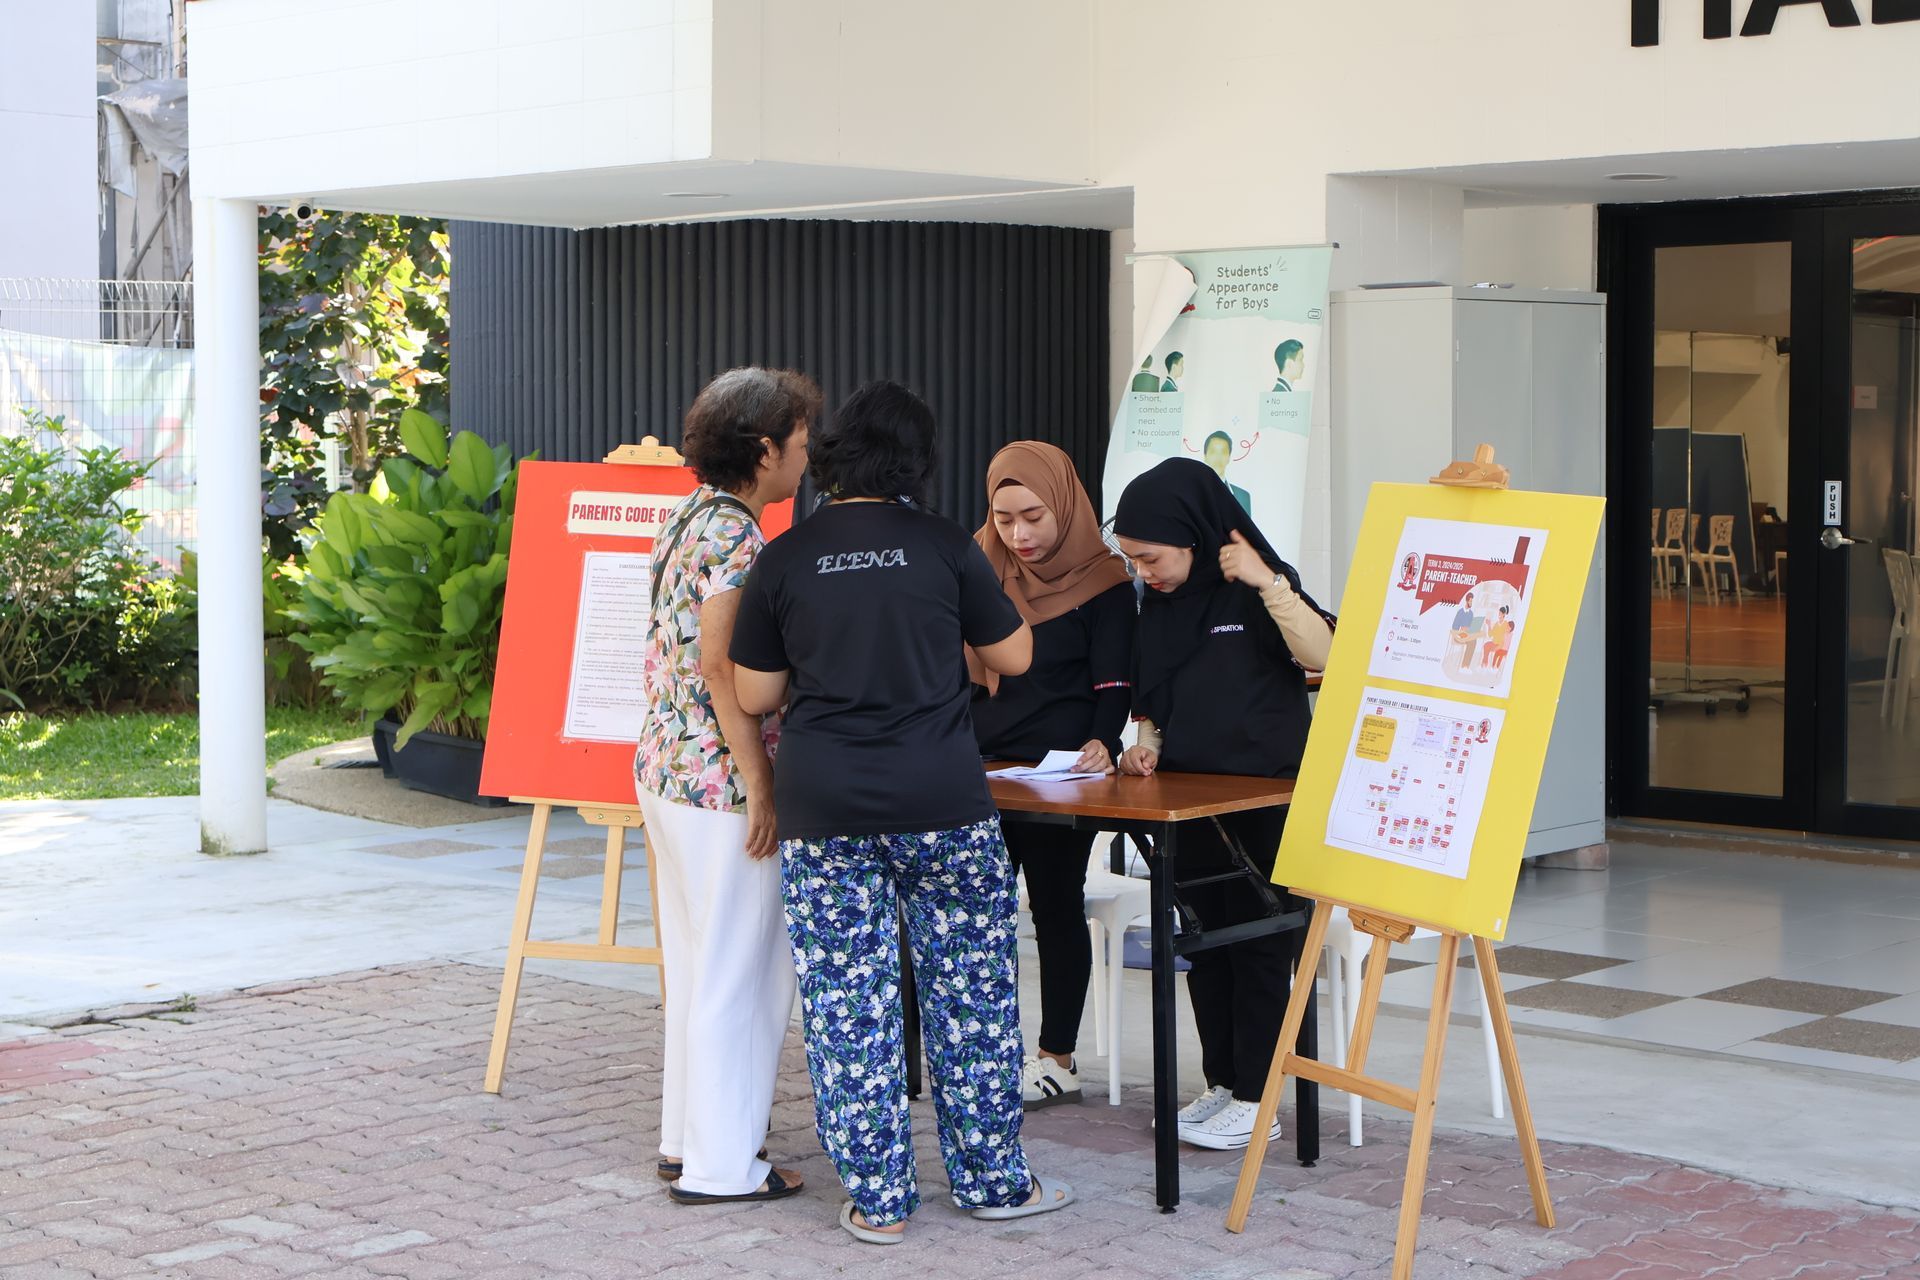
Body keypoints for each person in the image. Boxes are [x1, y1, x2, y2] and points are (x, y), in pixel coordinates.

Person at [728, 380, 1075, 1243]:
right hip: (943, 802)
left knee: (852, 1006)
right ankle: (994, 1183)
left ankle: (880, 1198)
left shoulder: (786, 555)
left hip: (826, 808)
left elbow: (755, 691)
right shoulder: (944, 548)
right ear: (920, 461)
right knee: (974, 998)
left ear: (838, 453)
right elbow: (1017, 655)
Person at [633, 367, 821, 1206]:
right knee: (737, 973)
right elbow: (720, 662)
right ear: (764, 448)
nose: (809, 457)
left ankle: (689, 1142)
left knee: (700, 962)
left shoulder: (687, 517)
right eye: (801, 441)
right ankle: (720, 1166)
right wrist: (761, 784)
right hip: (718, 783)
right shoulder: (737, 539)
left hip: (667, 770)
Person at [1110, 457, 1335, 1151]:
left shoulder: (1257, 588)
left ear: (1194, 537)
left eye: (1151, 558)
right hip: (1188, 799)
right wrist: (1144, 745)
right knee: (1205, 946)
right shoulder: (1159, 607)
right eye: (1133, 561)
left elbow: (1327, 654)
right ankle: (1224, 1084)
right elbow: (1155, 702)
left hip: (1268, 795)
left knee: (1264, 942)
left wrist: (1269, 582)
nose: (1145, 571)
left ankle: (1259, 1095)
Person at [969, 441, 1135, 1109]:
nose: (1020, 535)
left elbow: (1114, 681)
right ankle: (980, 1049)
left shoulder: (1104, 578)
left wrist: (1102, 740)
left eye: (1033, 516)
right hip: (980, 771)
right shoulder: (978, 566)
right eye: (1005, 519)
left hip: (1060, 776)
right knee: (975, 916)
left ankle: (1056, 1057)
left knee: (1056, 906)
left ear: (1063, 504)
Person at [1201, 430, 1253, 517]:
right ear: (1205, 456)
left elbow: (1246, 530)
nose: (1218, 458)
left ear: (1229, 457)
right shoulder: (1192, 493)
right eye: (1213, 452)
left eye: (1223, 452)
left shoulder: (1243, 497)